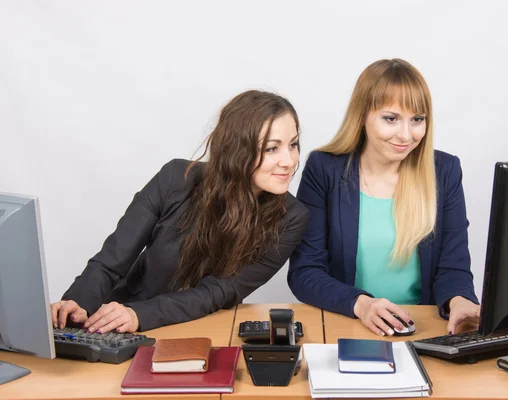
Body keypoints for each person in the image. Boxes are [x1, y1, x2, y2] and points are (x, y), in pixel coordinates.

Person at [51, 90, 308, 333]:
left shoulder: (291, 218)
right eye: (272, 148)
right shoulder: (175, 179)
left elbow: (218, 292)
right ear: (237, 148)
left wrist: (139, 315)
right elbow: (112, 260)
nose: (289, 160)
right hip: (114, 323)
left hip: (195, 333)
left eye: (293, 144)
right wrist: (76, 303)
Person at [288, 59, 479, 336]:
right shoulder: (324, 169)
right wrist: (362, 305)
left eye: (417, 119)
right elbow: (305, 271)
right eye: (391, 118)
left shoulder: (444, 171)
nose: (405, 135)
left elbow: (454, 266)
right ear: (362, 115)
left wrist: (460, 301)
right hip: (348, 321)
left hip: (419, 328)